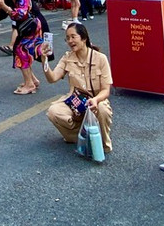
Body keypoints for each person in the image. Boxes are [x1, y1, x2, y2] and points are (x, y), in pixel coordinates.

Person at [43, 22, 113, 154]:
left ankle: (103, 144)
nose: (70, 41)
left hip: (96, 100)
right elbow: (52, 78)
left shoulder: (100, 59)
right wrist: (44, 60)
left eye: (73, 37)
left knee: (103, 109)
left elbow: (106, 90)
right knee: (54, 111)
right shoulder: (67, 58)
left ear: (84, 38)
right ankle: (79, 137)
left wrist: (96, 100)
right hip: (75, 102)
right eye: (67, 38)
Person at [0, 0, 41, 95]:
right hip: (24, 29)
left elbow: (21, 14)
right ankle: (32, 80)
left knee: (20, 50)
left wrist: (3, 6)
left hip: (34, 27)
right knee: (18, 50)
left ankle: (30, 84)